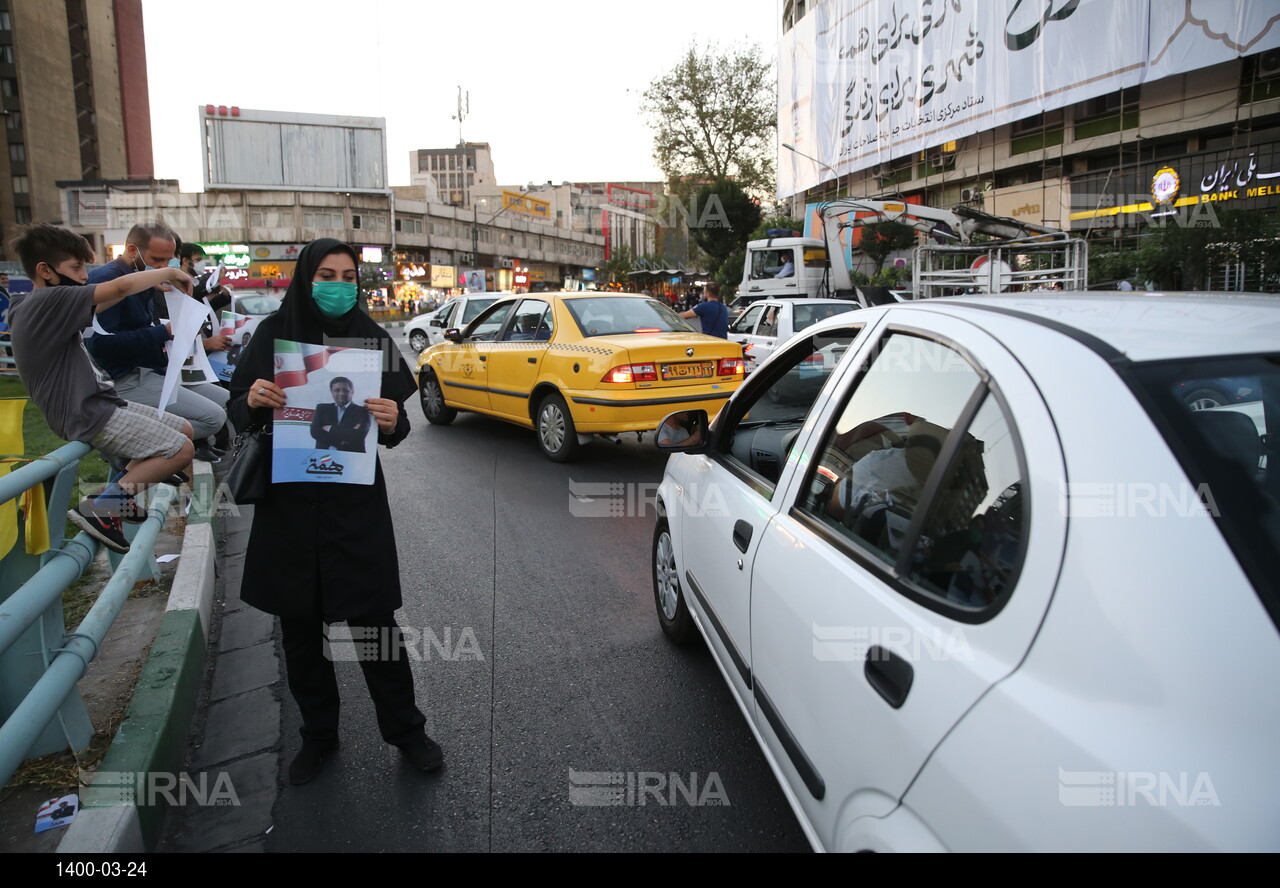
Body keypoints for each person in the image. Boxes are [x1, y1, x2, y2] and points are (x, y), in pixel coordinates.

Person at [227, 238, 442, 784]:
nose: (339, 284)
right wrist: (252, 401)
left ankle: (407, 732)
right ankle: (318, 736)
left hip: (354, 508)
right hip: (289, 509)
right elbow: (236, 414)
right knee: (300, 633)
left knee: (375, 628)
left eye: (349, 275)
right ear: (305, 277)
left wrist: (394, 422)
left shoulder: (374, 339)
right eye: (327, 273)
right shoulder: (272, 335)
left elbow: (394, 430)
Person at [6, 224, 195, 554]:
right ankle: (104, 506)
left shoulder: (32, 304)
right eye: (76, 268)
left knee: (185, 428)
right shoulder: (50, 301)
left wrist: (151, 280)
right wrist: (169, 271)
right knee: (181, 450)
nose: (83, 277)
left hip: (100, 402)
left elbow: (111, 298)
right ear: (44, 271)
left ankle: (137, 478)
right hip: (87, 411)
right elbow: (119, 286)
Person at [87, 223, 229, 464]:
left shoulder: (146, 280)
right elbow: (100, 344)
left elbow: (140, 332)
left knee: (228, 402)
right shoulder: (108, 279)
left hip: (155, 371)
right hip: (125, 378)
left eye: (169, 261)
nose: (164, 268)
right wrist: (164, 332)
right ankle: (131, 449)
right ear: (133, 251)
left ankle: (139, 453)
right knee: (212, 418)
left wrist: (170, 334)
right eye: (157, 260)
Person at [310, 376, 373, 452]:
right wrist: (345, 438)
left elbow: (358, 436)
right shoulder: (322, 408)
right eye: (337, 390)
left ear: (352, 391)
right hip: (323, 456)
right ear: (331, 392)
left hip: (353, 458)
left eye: (345, 390)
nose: (341, 393)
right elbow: (315, 432)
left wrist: (330, 428)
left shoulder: (363, 411)